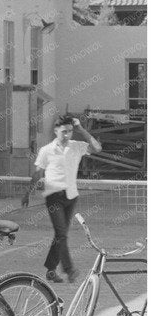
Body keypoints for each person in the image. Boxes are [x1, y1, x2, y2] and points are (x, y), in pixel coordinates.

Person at [26, 113, 103, 283]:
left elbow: (97, 148)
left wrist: (81, 129)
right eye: (64, 131)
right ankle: (69, 270)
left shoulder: (76, 146)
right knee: (61, 234)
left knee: (60, 234)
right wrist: (28, 193)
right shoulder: (46, 150)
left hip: (71, 196)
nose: (67, 135)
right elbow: (38, 173)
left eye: (69, 131)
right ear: (55, 131)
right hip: (53, 197)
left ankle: (50, 270)